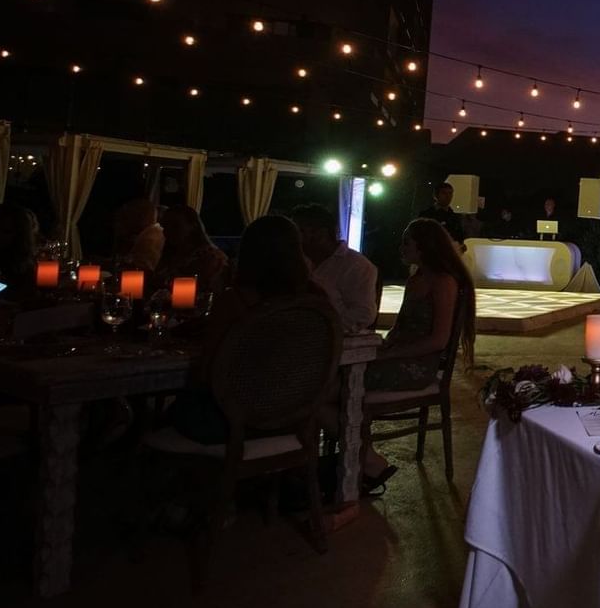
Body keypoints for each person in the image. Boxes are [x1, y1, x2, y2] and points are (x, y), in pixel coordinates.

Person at [169, 215, 335, 446]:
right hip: (293, 416)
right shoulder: (316, 299)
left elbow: (209, 372)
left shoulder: (234, 301)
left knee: (159, 414)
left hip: (230, 423)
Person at [362, 218, 476, 490]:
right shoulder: (417, 278)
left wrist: (388, 354)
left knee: (343, 385)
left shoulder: (443, 282)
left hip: (418, 365)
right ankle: (360, 455)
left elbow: (438, 340)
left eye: (407, 242)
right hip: (400, 355)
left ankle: (363, 458)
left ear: (424, 247)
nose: (401, 248)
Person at [290, 204, 378, 333]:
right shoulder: (299, 262)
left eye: (299, 232)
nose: (293, 240)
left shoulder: (355, 265)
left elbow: (363, 314)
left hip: (334, 342)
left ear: (320, 234)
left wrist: (322, 329)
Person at [157, 205, 228, 292]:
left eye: (175, 226)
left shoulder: (210, 257)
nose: (168, 230)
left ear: (193, 226)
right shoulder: (171, 254)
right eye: (165, 226)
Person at [114, 197, 165, 271]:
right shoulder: (150, 234)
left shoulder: (150, 239)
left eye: (126, 216)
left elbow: (140, 267)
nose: (119, 222)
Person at [418, 182, 466, 246]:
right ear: (436, 195)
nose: (448, 196)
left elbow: (460, 236)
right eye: (444, 193)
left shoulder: (454, 216)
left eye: (450, 193)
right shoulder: (427, 215)